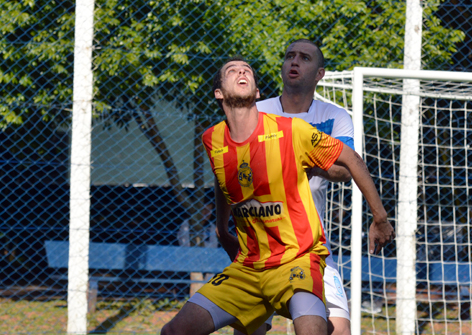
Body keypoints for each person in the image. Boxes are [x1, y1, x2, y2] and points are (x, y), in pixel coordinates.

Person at [161, 57, 394, 335]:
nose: (242, 72)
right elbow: (222, 179)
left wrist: (379, 217)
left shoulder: (291, 130)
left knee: (317, 330)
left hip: (297, 259)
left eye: (247, 70)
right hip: (248, 268)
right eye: (232, 71)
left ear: (257, 93)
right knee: (173, 332)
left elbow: (353, 160)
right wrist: (222, 229)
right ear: (218, 93)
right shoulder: (213, 139)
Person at [255, 39, 354, 335]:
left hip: (311, 245)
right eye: (289, 56)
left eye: (305, 58)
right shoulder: (258, 113)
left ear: (320, 73)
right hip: (261, 245)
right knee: (250, 329)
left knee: (338, 329)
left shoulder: (335, 116)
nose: (294, 62)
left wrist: (296, 161)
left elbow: (345, 168)